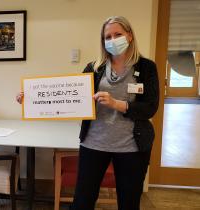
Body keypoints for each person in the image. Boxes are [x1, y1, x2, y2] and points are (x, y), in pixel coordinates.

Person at [16, 16, 159, 210]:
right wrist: (32, 98)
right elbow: (70, 97)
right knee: (82, 200)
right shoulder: (94, 68)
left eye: (118, 34)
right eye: (107, 37)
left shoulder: (147, 67)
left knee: (129, 201)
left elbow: (151, 107)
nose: (112, 40)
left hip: (131, 146)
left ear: (130, 36)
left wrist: (117, 104)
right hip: (94, 143)